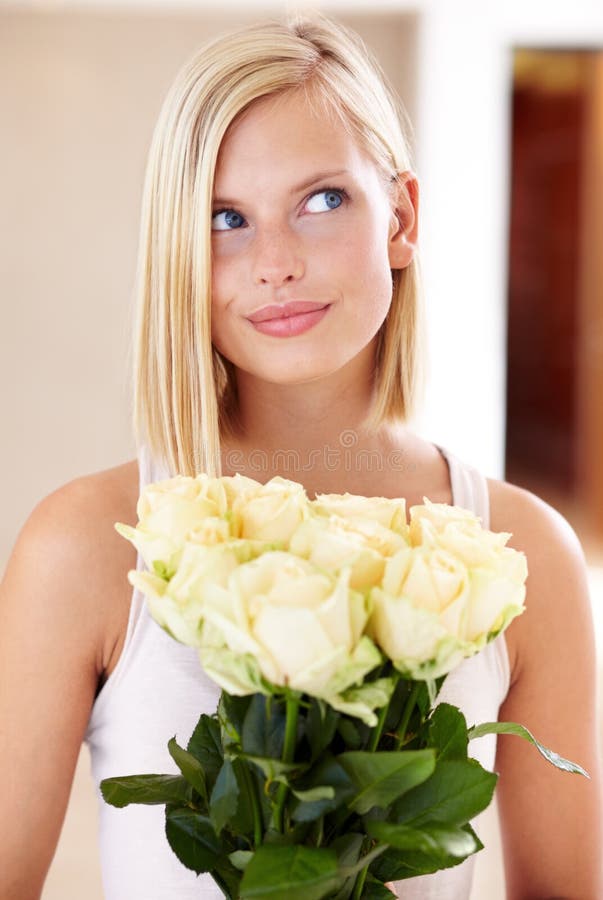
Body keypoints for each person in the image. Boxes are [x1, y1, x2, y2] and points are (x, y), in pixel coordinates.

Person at [0, 12, 601, 900]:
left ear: (401, 217)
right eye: (224, 218)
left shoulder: (522, 555)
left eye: (322, 201)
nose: (273, 262)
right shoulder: (85, 547)